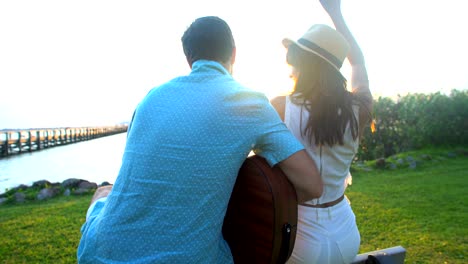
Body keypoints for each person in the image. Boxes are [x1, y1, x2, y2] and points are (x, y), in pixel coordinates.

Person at [77, 16, 323, 263]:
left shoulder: (151, 97)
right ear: (234, 54)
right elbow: (312, 186)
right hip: (189, 258)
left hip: (99, 253)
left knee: (103, 192)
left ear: (188, 58)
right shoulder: (249, 102)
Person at [270, 0, 373, 263]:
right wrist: (336, 13)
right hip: (345, 232)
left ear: (304, 64)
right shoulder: (359, 109)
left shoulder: (281, 108)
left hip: (298, 235)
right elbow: (358, 61)